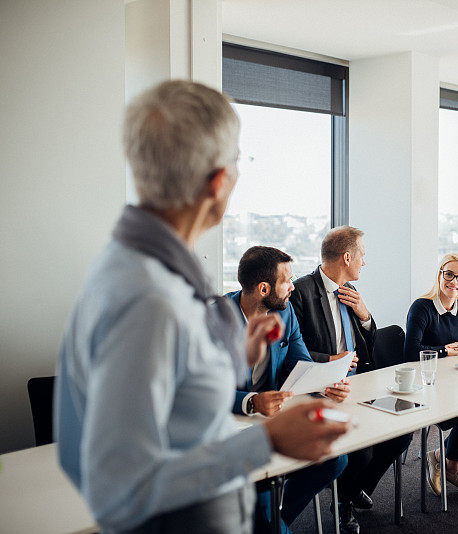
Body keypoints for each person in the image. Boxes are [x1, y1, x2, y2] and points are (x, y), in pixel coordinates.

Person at [54, 80, 348, 533]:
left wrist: (228, 357)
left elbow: (170, 407)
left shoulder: (138, 272)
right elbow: (118, 487)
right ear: (218, 181)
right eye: (237, 160)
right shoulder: (150, 298)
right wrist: (266, 441)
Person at [290, 226, 412, 534]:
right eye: (362, 256)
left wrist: (365, 316)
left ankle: (354, 487)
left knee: (402, 433)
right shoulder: (302, 292)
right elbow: (292, 350)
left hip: (360, 384)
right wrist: (329, 361)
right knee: (363, 449)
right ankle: (343, 503)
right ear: (347, 257)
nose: (364, 263)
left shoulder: (351, 292)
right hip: (322, 390)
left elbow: (369, 345)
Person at [227, 246, 350, 533]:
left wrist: (325, 384)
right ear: (263, 289)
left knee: (334, 459)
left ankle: (272, 522)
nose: (292, 288)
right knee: (261, 491)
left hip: (270, 422)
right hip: (229, 428)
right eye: (286, 281)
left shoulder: (285, 314)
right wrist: (252, 401)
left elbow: (302, 364)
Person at [404, 253, 458, 496]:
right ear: (440, 275)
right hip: (427, 385)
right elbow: (411, 352)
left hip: (456, 381)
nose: (454, 281)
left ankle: (441, 456)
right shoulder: (422, 307)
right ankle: (451, 464)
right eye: (449, 274)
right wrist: (445, 351)